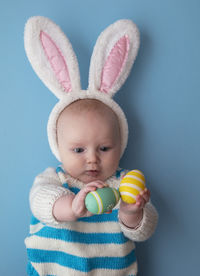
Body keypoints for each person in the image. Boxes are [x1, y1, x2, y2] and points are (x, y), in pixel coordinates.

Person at [24, 16, 158, 276]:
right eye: (78, 150)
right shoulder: (54, 180)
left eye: (104, 148)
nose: (92, 160)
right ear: (59, 147)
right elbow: (38, 202)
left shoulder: (123, 185)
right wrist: (71, 206)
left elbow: (145, 230)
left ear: (121, 145)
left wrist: (132, 212)